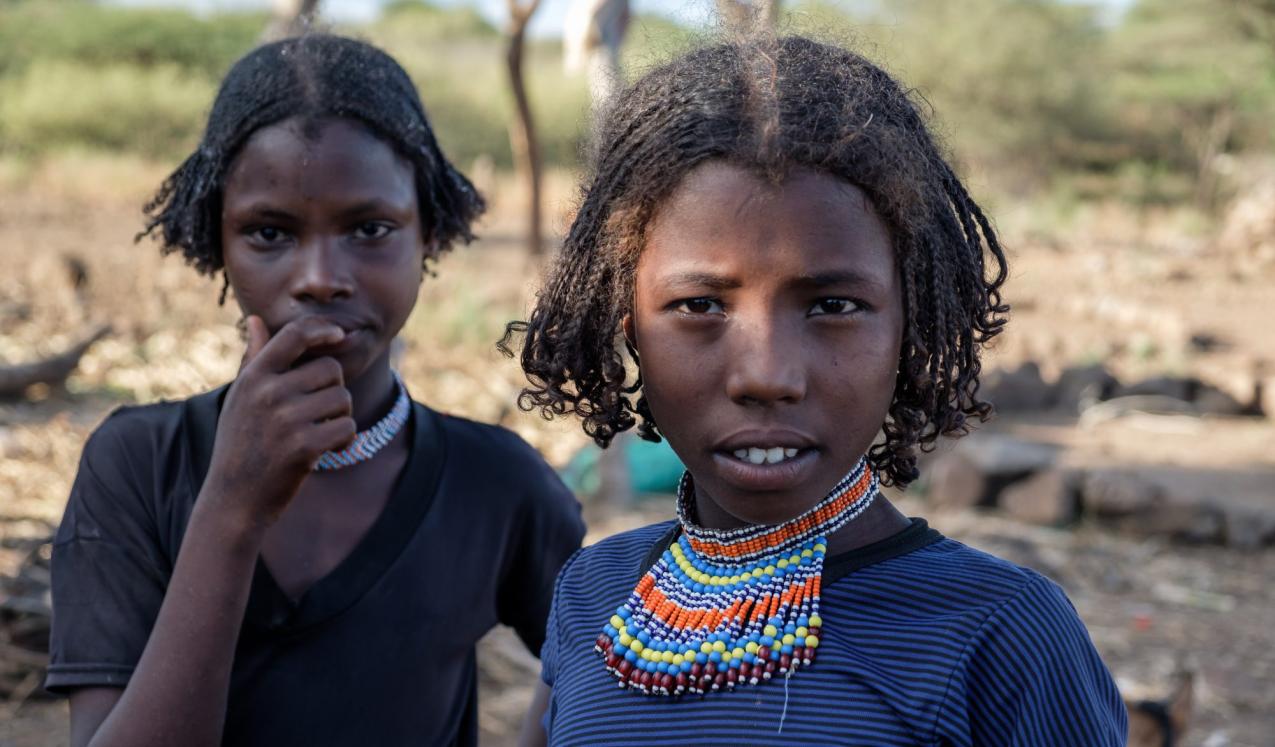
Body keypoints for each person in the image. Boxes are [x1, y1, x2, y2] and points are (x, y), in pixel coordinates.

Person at [504, 36, 1127, 745]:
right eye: (699, 305)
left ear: (908, 325)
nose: (766, 374)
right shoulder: (595, 592)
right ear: (629, 329)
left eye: (832, 305)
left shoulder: (997, 632)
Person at [47, 34, 585, 747]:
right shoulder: (138, 466)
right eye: (270, 232)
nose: (320, 277)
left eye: (369, 228)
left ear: (428, 234)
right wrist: (232, 507)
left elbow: (602, 675)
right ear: (218, 242)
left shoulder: (498, 482)